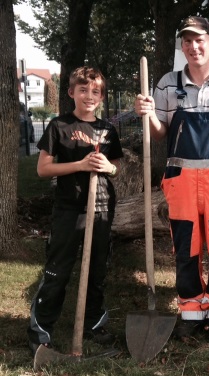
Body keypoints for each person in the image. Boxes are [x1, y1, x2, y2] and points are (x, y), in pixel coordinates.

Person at [134, 16, 209, 342]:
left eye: (199, 39)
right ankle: (190, 311)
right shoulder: (166, 84)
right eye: (186, 41)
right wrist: (147, 116)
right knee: (186, 249)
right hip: (181, 177)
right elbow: (159, 135)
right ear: (182, 46)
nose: (193, 46)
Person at [27, 66, 124, 354]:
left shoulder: (107, 130)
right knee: (58, 268)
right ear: (71, 93)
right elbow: (43, 169)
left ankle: (94, 324)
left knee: (97, 269)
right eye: (83, 90)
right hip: (70, 207)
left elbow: (118, 168)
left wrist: (110, 168)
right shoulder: (59, 126)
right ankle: (40, 329)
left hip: (102, 206)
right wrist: (80, 165)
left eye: (95, 91)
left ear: (102, 97)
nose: (89, 95)